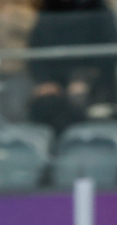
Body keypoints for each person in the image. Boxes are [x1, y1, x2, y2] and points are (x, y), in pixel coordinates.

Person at [29, 0, 117, 133]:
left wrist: (82, 78)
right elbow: (36, 50)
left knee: (79, 101)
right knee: (44, 103)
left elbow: (106, 53)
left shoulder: (98, 10)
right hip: (55, 80)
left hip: (94, 81)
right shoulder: (49, 11)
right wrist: (45, 81)